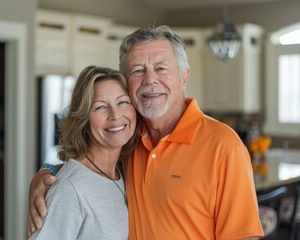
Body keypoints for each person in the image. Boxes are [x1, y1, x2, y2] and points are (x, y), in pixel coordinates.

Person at [28, 25, 264, 239]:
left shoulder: (224, 146)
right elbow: (87, 172)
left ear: (184, 76)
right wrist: (47, 175)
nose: (150, 79)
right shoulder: (127, 138)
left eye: (161, 68)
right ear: (127, 82)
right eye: (138, 70)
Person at [28, 65, 140, 239]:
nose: (115, 115)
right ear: (83, 120)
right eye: (100, 107)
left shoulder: (124, 170)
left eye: (123, 102)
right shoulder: (69, 189)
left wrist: (47, 168)